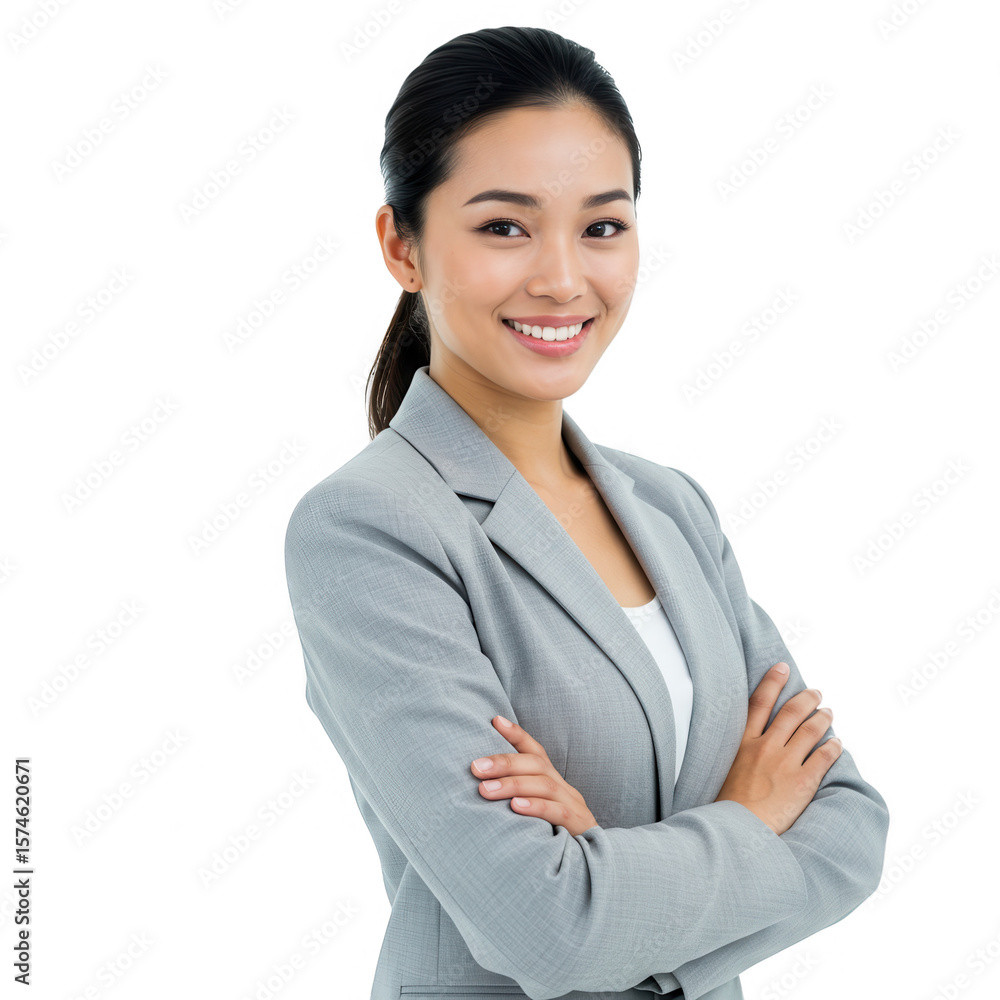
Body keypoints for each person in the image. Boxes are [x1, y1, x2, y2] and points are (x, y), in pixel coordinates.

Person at [284, 25, 889, 1000]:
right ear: (402, 246)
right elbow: (548, 929)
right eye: (504, 227)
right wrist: (745, 820)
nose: (563, 278)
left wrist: (604, 867)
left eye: (602, 227)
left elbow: (851, 830)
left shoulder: (671, 507)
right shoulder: (369, 527)